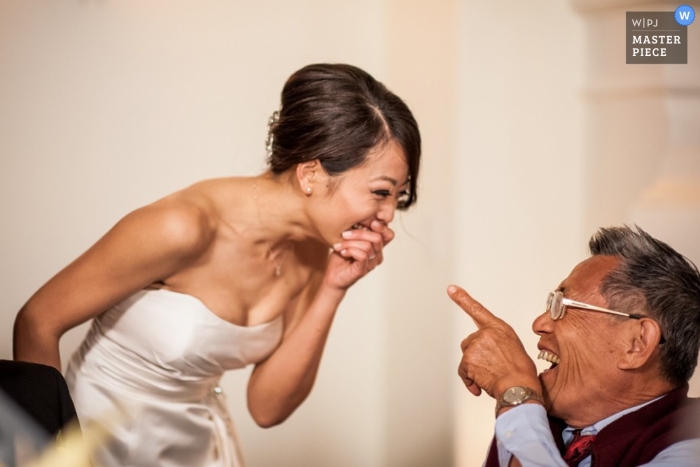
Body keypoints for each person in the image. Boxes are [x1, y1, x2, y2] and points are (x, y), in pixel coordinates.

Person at [13, 63, 421, 467]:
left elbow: (267, 409)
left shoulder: (315, 251)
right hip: (99, 438)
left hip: (197, 446)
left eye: (397, 196)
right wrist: (52, 453)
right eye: (381, 192)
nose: (387, 214)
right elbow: (37, 321)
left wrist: (333, 290)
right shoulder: (183, 228)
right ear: (311, 172)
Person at [449, 225, 700, 467]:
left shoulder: (690, 446)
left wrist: (515, 392)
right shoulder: (542, 424)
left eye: (563, 306)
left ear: (636, 343)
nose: (539, 323)